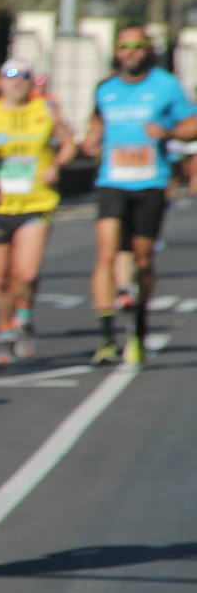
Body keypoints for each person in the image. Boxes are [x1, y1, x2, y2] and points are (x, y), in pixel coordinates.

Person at [80, 26, 197, 365]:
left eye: (136, 46)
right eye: (123, 46)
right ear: (116, 52)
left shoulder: (166, 86)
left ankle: (140, 323)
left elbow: (192, 123)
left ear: (148, 50)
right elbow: (97, 123)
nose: (129, 52)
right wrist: (92, 139)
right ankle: (105, 337)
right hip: (112, 181)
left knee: (143, 259)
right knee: (106, 253)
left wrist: (170, 131)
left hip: (150, 182)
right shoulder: (106, 88)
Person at [0, 60, 76, 363]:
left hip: (36, 202)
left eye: (23, 78)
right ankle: (5, 331)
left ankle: (25, 317)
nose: (17, 82)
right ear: (0, 83)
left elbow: (70, 143)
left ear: (31, 83)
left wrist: (57, 166)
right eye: (10, 77)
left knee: (27, 273)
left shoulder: (45, 111)